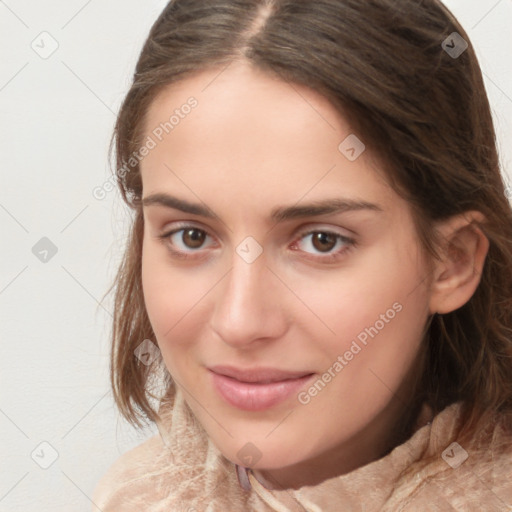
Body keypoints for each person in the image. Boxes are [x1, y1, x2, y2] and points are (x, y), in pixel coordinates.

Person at [92, 0, 512, 510]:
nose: (240, 322)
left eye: (321, 241)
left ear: (452, 261)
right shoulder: (134, 496)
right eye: (191, 236)